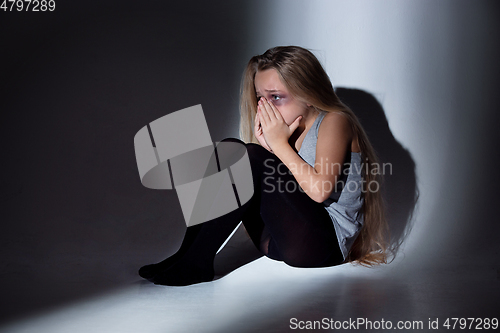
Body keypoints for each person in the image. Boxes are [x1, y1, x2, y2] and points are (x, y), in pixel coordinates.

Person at [138, 46, 391, 286]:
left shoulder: (335, 121)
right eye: (261, 98)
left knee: (249, 155)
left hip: (322, 247)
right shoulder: (287, 129)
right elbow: (287, 192)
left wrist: (276, 148)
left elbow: (319, 191)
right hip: (279, 240)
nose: (267, 107)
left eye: (277, 97)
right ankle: (188, 254)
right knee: (231, 149)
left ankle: (195, 263)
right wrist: (271, 152)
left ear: (309, 95)